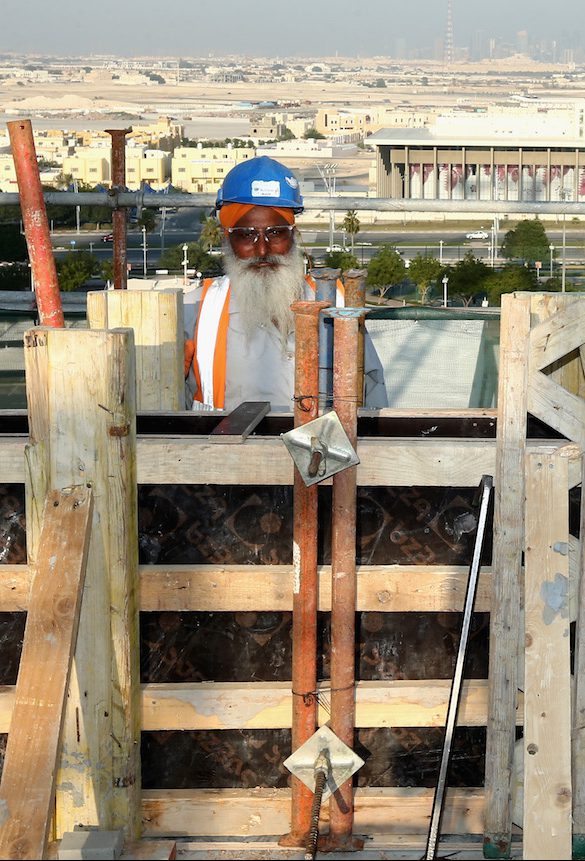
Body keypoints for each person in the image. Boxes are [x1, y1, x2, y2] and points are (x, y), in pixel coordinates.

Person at [183, 155, 387, 412]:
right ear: (227, 240)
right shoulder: (197, 310)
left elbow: (370, 389)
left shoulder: (335, 302)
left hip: (319, 450)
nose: (262, 249)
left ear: (294, 235)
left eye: (275, 233)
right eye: (246, 235)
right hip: (227, 449)